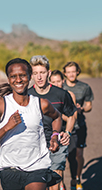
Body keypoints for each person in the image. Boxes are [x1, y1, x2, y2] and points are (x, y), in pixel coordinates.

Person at [0, 58, 68, 190]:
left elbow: (57, 117)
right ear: (8, 79)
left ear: (30, 77)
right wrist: (6, 127)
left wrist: (55, 136)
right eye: (13, 76)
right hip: (9, 168)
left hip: (37, 166)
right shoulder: (0, 104)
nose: (18, 80)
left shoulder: (41, 104)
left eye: (22, 75)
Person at [28, 56, 77, 190]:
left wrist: (67, 132)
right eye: (36, 73)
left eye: (42, 73)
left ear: (48, 73)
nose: (39, 77)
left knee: (55, 181)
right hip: (35, 145)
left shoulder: (61, 94)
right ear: (31, 75)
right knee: (39, 183)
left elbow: (72, 115)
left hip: (57, 142)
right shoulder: (27, 95)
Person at [63, 62, 94, 190]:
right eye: (68, 72)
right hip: (63, 127)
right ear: (65, 73)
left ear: (77, 72)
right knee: (64, 157)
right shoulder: (60, 87)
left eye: (73, 71)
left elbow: (89, 105)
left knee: (78, 155)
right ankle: (60, 183)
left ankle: (77, 178)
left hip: (80, 125)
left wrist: (82, 109)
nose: (71, 74)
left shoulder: (85, 87)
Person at [49, 69, 78, 190]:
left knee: (68, 160)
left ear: (63, 81)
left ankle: (74, 180)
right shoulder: (48, 95)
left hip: (66, 132)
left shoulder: (68, 94)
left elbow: (73, 115)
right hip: (50, 134)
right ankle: (61, 184)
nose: (56, 84)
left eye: (58, 81)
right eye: (53, 81)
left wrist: (57, 115)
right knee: (54, 166)